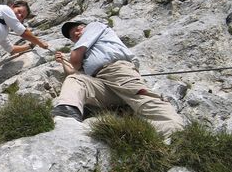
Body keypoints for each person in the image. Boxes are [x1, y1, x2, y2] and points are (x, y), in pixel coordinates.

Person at [52, 20, 184, 141]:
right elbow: (73, 72)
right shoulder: (85, 54)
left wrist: (72, 58)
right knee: (75, 80)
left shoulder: (94, 26)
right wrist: (64, 61)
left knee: (144, 99)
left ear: (84, 27)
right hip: (100, 81)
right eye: (72, 36)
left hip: (118, 71)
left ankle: (175, 132)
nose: (75, 33)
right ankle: (66, 117)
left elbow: (75, 60)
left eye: (77, 29)